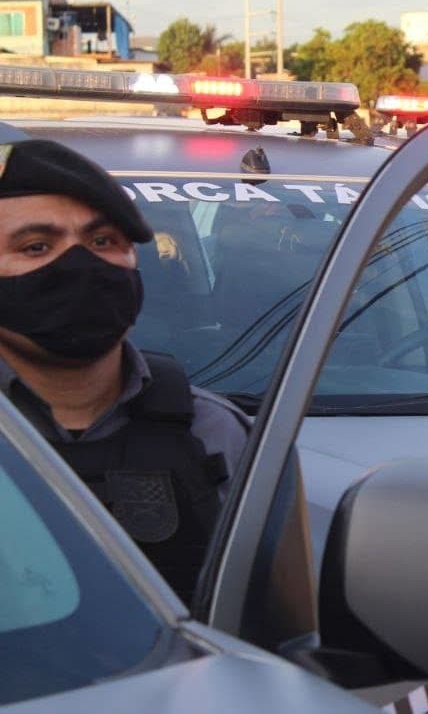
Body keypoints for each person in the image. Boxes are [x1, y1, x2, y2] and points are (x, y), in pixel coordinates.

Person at [0, 139, 248, 603]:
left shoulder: (217, 435)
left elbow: (277, 629)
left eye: (102, 242)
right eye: (36, 247)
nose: (80, 265)